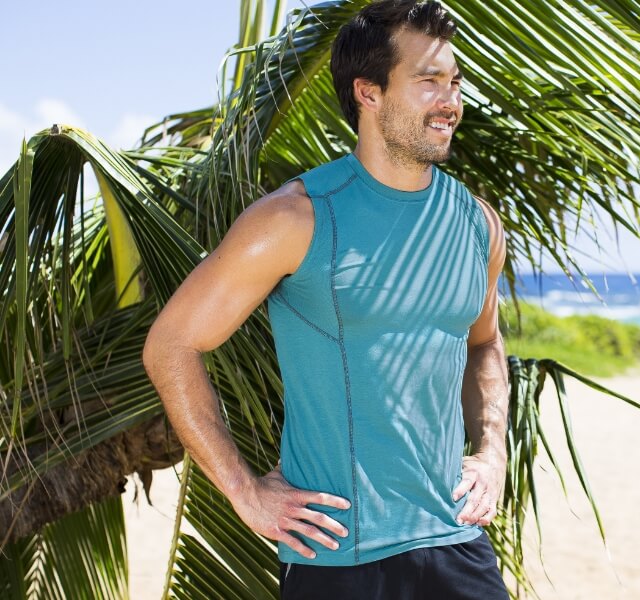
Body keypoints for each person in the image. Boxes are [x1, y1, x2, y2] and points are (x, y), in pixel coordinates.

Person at [141, 1, 510, 598]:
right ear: (368, 92)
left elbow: (486, 341)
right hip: (338, 556)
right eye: (428, 82)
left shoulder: (476, 224)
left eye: (454, 82)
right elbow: (171, 345)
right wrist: (243, 490)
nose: (451, 102)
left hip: (455, 539)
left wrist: (492, 451)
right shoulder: (294, 219)